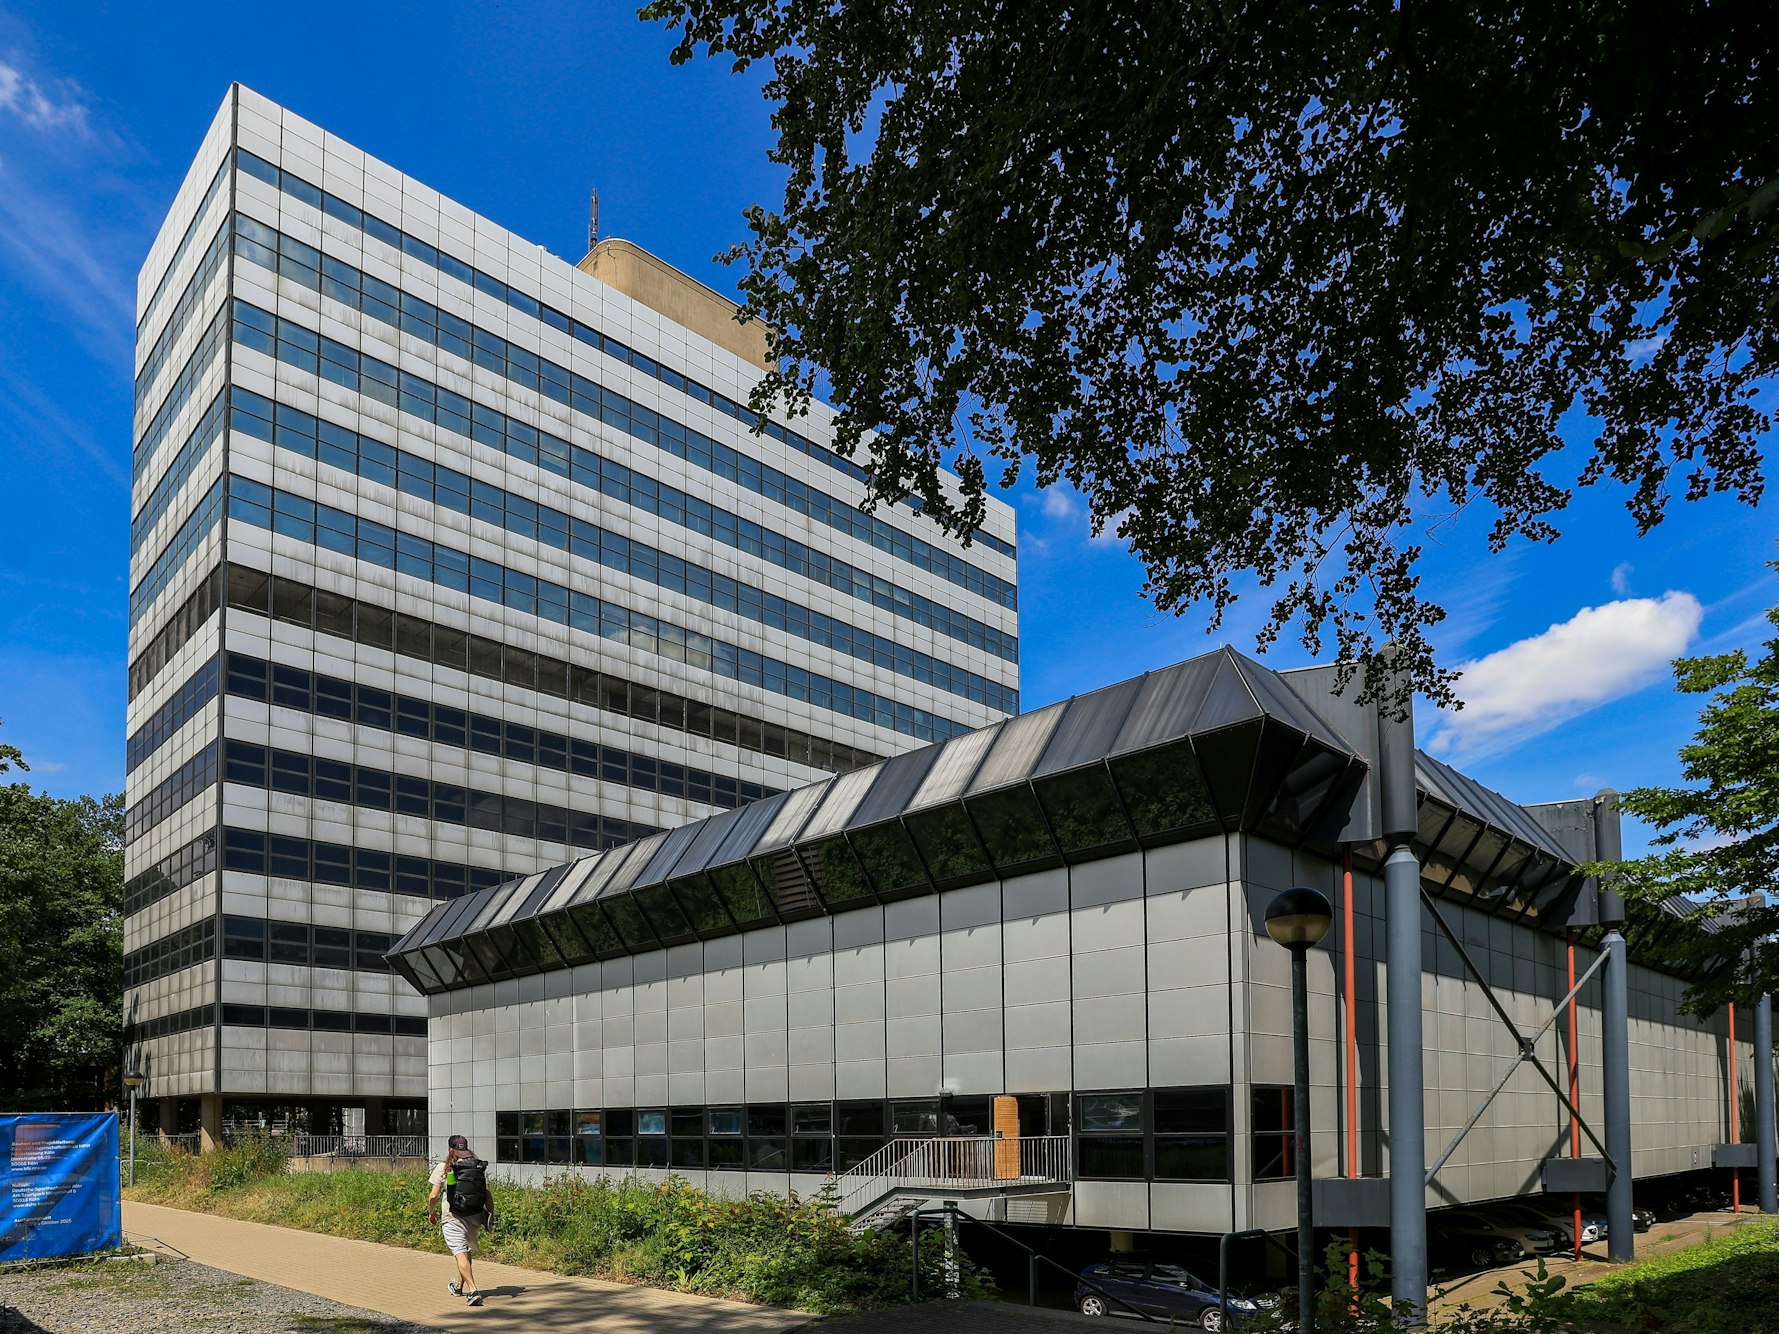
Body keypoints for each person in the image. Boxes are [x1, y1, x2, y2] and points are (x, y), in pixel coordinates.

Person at [428, 1133, 494, 1307]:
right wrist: (490, 1214)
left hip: (453, 1216)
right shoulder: (476, 1166)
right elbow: (487, 1195)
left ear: (450, 1149)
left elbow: (433, 1196)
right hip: (474, 1214)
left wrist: (431, 1213)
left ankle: (473, 1291)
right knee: (465, 1251)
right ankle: (458, 1287)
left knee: (459, 1252)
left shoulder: (444, 1167)